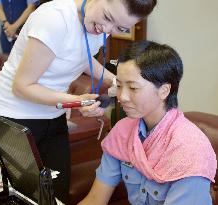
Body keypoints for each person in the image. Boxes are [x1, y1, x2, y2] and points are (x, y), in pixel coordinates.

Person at [0, 0, 157, 203]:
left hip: (52, 118)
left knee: (56, 195)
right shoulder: (55, 19)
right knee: (15, 198)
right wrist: (76, 101)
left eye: (120, 28)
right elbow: (22, 86)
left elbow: (81, 55)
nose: (107, 29)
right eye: (108, 18)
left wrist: (116, 80)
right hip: (10, 119)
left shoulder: (101, 21)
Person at [78, 41, 217, 205]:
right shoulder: (122, 132)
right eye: (120, 86)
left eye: (133, 88)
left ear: (164, 90)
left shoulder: (190, 151)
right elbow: (95, 200)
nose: (122, 97)